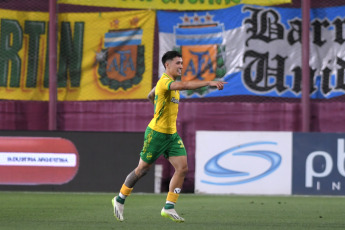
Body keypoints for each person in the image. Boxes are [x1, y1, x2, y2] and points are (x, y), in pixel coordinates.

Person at [112, 50, 227, 223]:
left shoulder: (167, 84)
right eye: (178, 63)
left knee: (182, 168)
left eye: (182, 63)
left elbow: (150, 95)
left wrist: (158, 106)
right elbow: (185, 86)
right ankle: (119, 199)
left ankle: (169, 207)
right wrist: (210, 82)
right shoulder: (165, 82)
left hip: (171, 135)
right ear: (167, 65)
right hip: (156, 134)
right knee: (142, 170)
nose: (181, 66)